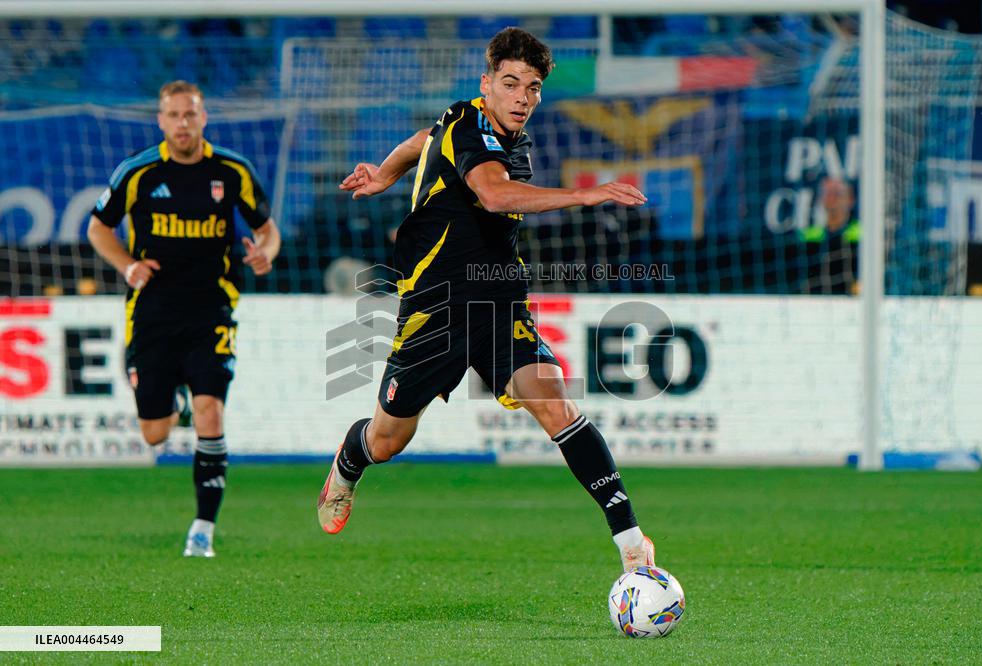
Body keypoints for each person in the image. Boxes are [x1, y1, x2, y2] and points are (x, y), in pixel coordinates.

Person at [318, 28, 657, 572]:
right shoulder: (469, 124)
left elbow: (421, 141)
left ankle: (632, 542)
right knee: (386, 441)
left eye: (534, 86)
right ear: (487, 84)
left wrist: (386, 172)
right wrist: (584, 193)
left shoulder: (496, 134)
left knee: (556, 404)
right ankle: (348, 463)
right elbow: (495, 195)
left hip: (499, 298)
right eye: (511, 83)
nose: (523, 96)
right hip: (436, 304)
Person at [87, 80, 281, 557]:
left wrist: (266, 255)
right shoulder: (138, 172)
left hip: (212, 308)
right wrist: (128, 265)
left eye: (190, 114)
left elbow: (266, 230)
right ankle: (172, 395)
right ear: (161, 120)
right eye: (173, 115)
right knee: (155, 430)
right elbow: (98, 227)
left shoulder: (232, 171)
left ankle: (202, 529)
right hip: (152, 311)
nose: (182, 124)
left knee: (211, 410)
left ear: (204, 117)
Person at [800, 177, 860, 295]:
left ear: (851, 200)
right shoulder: (810, 236)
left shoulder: (863, 235)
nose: (831, 198)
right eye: (827, 193)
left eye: (837, 193)